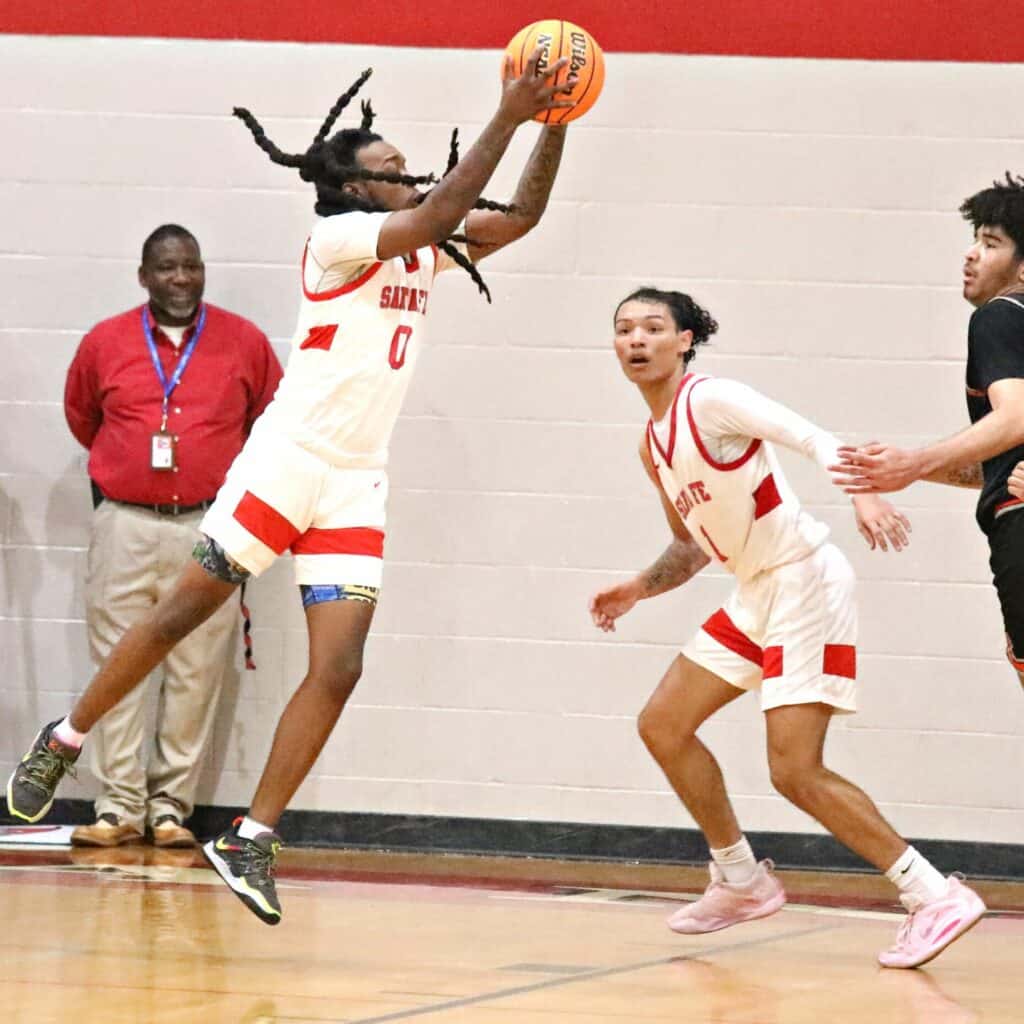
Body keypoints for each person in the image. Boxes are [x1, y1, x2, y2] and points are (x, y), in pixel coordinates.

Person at [6, 54, 575, 923]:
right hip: (291, 458)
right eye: (387, 170)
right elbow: (449, 207)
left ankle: (251, 838)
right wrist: (507, 111)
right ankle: (66, 739)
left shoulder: (425, 247)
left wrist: (556, 123)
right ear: (350, 186)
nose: (408, 174)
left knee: (340, 667)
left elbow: (520, 215)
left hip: (355, 478)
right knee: (178, 615)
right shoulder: (339, 242)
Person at [588, 287, 985, 968]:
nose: (637, 340)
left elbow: (808, 435)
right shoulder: (653, 445)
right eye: (624, 329)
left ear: (685, 340)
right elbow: (688, 548)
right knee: (663, 724)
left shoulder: (709, 400)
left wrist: (861, 492)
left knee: (794, 769)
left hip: (803, 577)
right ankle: (740, 877)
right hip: (756, 591)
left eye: (653, 327)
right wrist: (638, 587)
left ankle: (931, 894)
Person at [59, 225, 282, 849]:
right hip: (125, 522)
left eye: (190, 266)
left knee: (196, 666)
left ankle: (168, 810)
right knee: (118, 663)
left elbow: (271, 423)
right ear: (143, 276)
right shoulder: (105, 342)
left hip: (211, 526)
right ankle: (118, 807)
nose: (180, 278)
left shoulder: (244, 342)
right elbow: (84, 417)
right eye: (166, 268)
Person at [832, 173, 1024, 688]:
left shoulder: (1001, 315)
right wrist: (915, 471)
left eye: (991, 243)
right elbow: (1002, 461)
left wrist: (913, 463)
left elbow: (1015, 418)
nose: (970, 254)